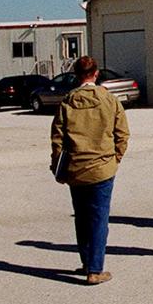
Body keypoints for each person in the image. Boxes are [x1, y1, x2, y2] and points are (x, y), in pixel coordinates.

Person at [51, 55, 129, 285]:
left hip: (76, 168)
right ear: (96, 74)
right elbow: (122, 134)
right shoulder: (110, 100)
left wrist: (58, 166)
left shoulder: (67, 101)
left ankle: (86, 261)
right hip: (102, 168)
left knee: (82, 217)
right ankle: (95, 269)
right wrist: (115, 158)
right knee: (98, 218)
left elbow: (57, 138)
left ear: (76, 75)